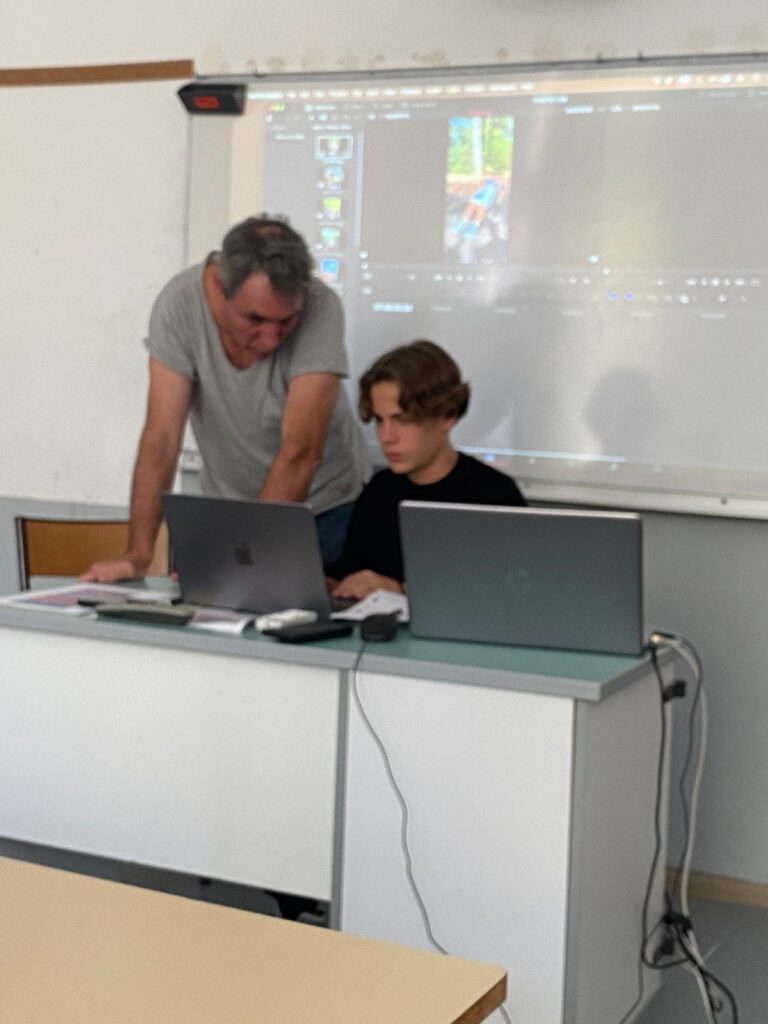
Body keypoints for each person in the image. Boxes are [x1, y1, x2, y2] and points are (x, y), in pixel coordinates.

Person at [83, 215, 370, 582]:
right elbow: (162, 440)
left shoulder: (321, 306)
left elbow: (301, 451)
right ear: (220, 286)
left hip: (327, 509)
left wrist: (245, 559)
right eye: (255, 320)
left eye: (287, 321)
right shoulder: (180, 305)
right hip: (230, 513)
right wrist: (138, 556)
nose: (271, 339)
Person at [326, 340, 525, 600]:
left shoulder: (495, 496)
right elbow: (347, 572)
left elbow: (511, 594)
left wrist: (400, 591)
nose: (386, 436)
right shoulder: (379, 490)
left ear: (447, 416)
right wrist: (321, 585)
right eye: (379, 420)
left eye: (402, 420)